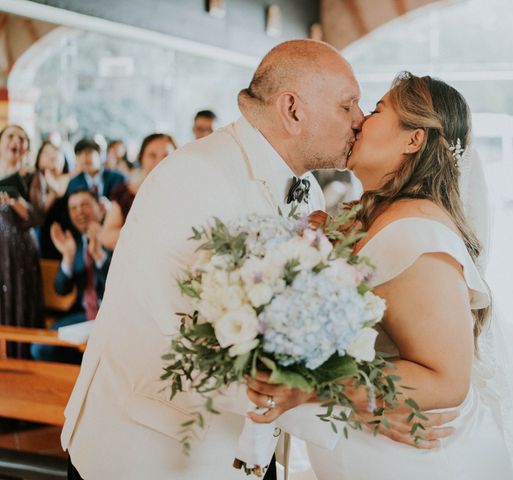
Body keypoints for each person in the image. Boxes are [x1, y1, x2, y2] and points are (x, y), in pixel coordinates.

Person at [61, 41, 455, 480]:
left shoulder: (312, 194)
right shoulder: (192, 179)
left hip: (245, 452)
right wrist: (356, 407)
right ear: (292, 109)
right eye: (348, 105)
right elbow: (200, 345)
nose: (360, 119)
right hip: (150, 456)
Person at [251, 73, 513, 479]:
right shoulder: (366, 214)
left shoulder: (417, 234)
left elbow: (446, 381)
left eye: (377, 110)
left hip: (422, 463)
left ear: (413, 140)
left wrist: (312, 387)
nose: (360, 120)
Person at [31, 188, 111, 363]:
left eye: (84, 205)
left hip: (113, 317)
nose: (79, 212)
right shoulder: (75, 244)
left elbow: (123, 286)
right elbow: (61, 289)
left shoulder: (115, 238)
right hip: (84, 316)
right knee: (40, 347)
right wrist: (67, 257)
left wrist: (99, 255)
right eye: (73, 208)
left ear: (99, 208)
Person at [0, 125, 46, 358]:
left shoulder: (33, 176)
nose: (16, 141)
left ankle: (21, 358)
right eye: (11, 136)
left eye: (22, 138)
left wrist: (15, 201)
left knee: (18, 299)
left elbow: (38, 216)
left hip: (20, 248)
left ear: (27, 147)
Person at [100, 133, 176, 250]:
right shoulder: (125, 192)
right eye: (152, 155)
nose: (160, 161)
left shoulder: (185, 193)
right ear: (141, 159)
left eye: (166, 155)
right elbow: (107, 236)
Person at [35, 140, 72, 259]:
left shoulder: (70, 179)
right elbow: (40, 213)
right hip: (42, 240)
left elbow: (60, 191)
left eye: (55, 151)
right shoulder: (34, 182)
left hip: (67, 236)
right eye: (46, 152)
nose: (52, 155)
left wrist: (48, 175)